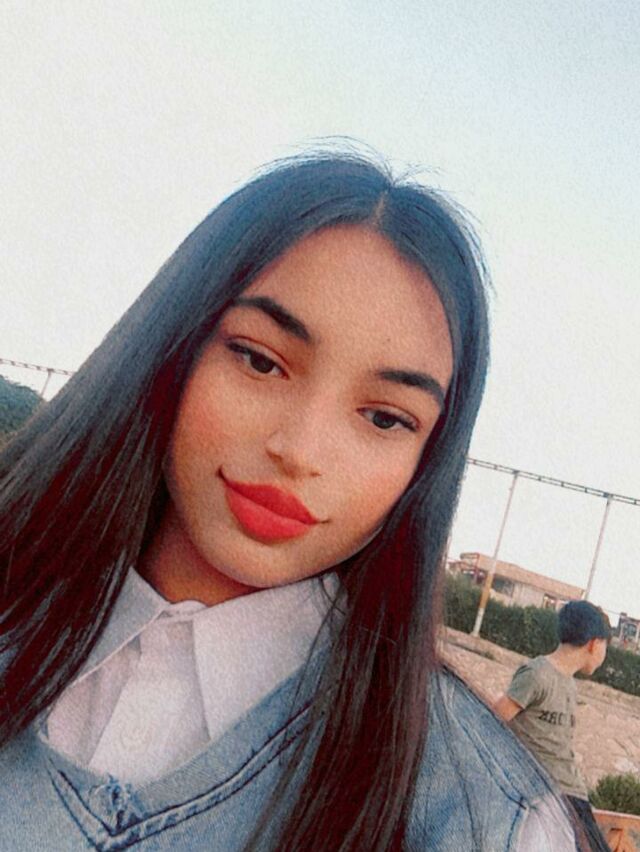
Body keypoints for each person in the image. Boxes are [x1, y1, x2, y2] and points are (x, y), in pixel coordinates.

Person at [0, 148, 579, 850]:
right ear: (173, 343)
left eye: (384, 418)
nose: (300, 451)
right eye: (259, 359)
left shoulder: (482, 818)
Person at [494, 600, 612, 851]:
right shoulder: (537, 673)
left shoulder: (568, 683)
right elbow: (492, 719)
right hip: (549, 794)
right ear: (594, 643)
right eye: (606, 646)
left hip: (571, 794)